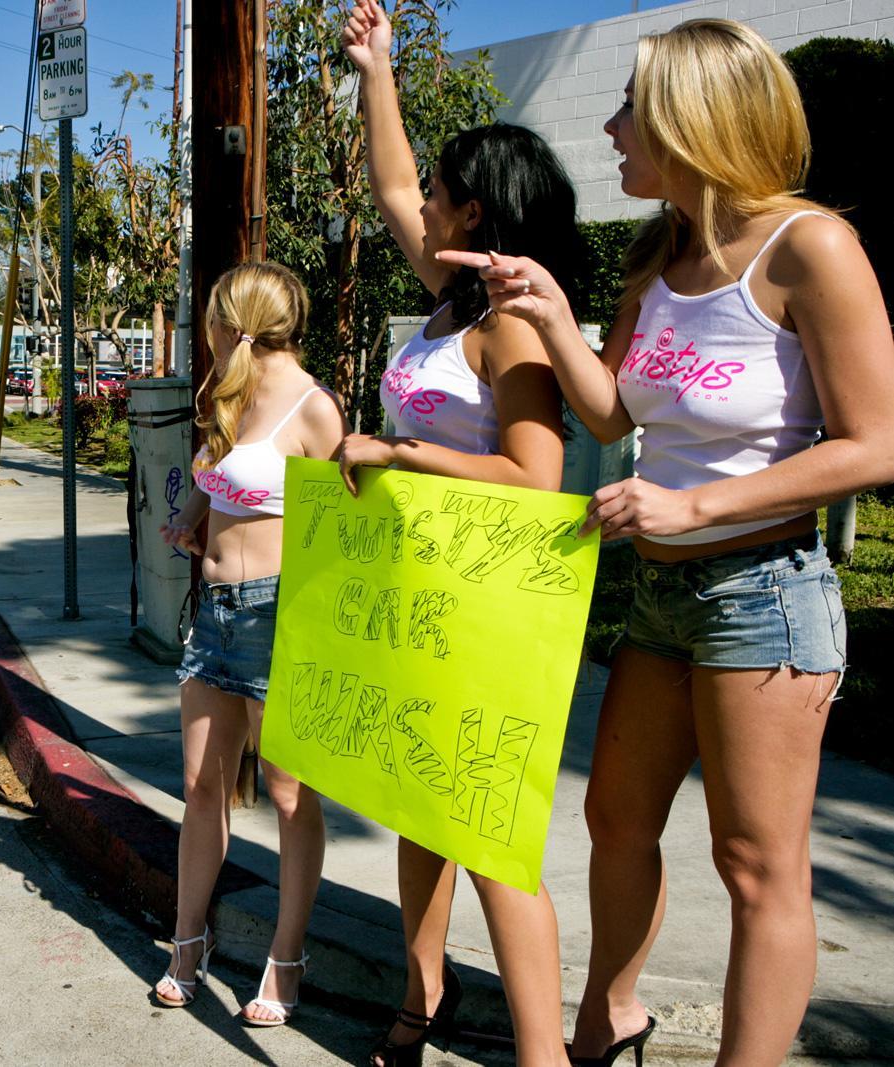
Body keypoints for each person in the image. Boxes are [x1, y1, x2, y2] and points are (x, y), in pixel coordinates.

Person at [437, 17, 894, 1066]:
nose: (608, 127)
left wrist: (692, 507)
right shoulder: (655, 255)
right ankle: (611, 1015)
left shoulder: (808, 246)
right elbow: (607, 416)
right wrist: (551, 314)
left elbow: (872, 443)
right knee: (612, 816)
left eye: (627, 108)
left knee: (753, 862)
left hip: (764, 587)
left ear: (693, 117)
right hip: (658, 595)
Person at [338, 4, 587, 1065]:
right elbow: (392, 182)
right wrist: (375, 69)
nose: (418, 203)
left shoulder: (516, 325)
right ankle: (418, 996)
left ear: (474, 208)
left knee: (490, 835)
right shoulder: (453, 299)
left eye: (439, 193)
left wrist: (397, 457)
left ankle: (537, 1052)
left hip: (489, 603)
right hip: (418, 587)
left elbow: (535, 478)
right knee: (416, 809)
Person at [153, 261, 346, 1025]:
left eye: (213, 317)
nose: (207, 328)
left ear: (238, 322)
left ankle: (285, 957)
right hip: (216, 613)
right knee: (202, 784)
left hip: (280, 615)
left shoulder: (313, 407)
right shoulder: (230, 399)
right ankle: (186, 942)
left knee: (291, 796)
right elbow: (215, 479)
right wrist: (190, 520)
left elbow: (340, 535)